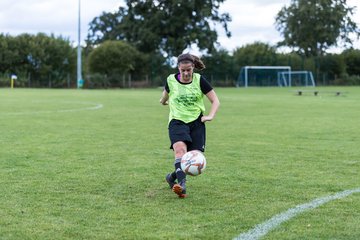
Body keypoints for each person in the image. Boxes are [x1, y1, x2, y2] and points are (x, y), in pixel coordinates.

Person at [159, 53, 220, 198]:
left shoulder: (200, 80)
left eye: (189, 70)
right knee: (180, 151)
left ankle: (171, 177)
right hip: (177, 121)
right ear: (178, 68)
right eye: (183, 70)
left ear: (193, 68)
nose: (186, 73)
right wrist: (163, 101)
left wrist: (210, 116)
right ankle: (182, 185)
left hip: (196, 123)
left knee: (193, 159)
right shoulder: (171, 80)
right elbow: (164, 97)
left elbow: (215, 101)